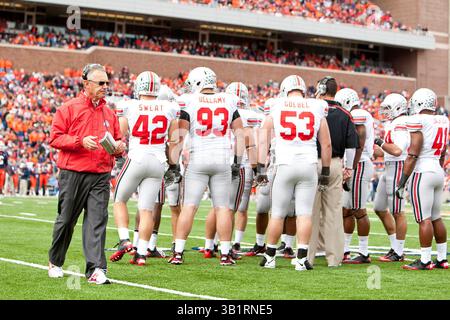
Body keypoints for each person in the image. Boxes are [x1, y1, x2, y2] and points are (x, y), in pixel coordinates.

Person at [47, 63, 125, 284]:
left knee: (97, 221)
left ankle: (96, 269)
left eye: (107, 83)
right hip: (73, 173)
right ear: (86, 84)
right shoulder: (68, 108)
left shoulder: (110, 113)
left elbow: (119, 141)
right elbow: (54, 138)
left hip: (101, 174)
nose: (105, 87)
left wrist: (119, 147)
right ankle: (55, 261)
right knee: (66, 220)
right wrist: (80, 141)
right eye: (100, 83)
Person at [169, 66, 245, 266]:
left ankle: (178, 253)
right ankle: (226, 254)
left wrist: (173, 164)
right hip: (222, 159)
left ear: (196, 82)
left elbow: (180, 136)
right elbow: (240, 134)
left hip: (199, 159)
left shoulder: (190, 101)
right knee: (223, 208)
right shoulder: (229, 100)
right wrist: (237, 162)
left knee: (189, 207)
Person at [257, 74, 332, 271]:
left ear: (284, 89)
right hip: (308, 164)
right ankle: (301, 259)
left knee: (278, 214)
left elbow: (263, 138)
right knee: (304, 214)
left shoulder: (277, 105)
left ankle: (270, 257)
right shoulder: (317, 106)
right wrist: (325, 171)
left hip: (285, 164)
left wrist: (260, 167)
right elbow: (326, 143)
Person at [111, 71, 180, 267]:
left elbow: (119, 136)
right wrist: (173, 165)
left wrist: (116, 156)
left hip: (137, 157)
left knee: (119, 199)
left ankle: (125, 240)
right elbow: (174, 140)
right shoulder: (169, 107)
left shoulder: (129, 106)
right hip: (158, 161)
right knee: (147, 210)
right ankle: (141, 253)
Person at [307, 76, 359, 268]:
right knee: (333, 212)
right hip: (336, 163)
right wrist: (349, 168)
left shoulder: (311, 109)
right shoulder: (345, 114)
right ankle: (334, 258)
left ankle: (307, 255)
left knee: (310, 211)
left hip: (313, 161)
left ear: (320, 88)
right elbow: (352, 146)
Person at [396, 88, 449, 270]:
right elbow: (443, 151)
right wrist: (438, 168)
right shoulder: (443, 119)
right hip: (437, 169)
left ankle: (425, 260)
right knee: (436, 217)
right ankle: (442, 259)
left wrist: (402, 182)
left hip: (423, 171)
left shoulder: (418, 119)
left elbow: (413, 153)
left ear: (419, 103)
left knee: (424, 218)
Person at [335, 88, 375, 264]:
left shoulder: (358, 114)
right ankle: (345, 250)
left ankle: (364, 253)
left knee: (359, 210)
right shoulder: (358, 113)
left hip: (360, 165)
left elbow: (359, 142)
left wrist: (351, 167)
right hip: (354, 165)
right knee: (346, 210)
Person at [373, 93, 410, 262]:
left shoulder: (401, 123)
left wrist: (379, 142)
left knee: (398, 211)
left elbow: (397, 150)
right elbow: (388, 151)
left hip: (398, 166)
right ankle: (394, 246)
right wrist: (371, 150)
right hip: (389, 166)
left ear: (398, 108)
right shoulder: (394, 123)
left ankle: (399, 251)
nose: (386, 112)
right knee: (379, 207)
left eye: (388, 108)